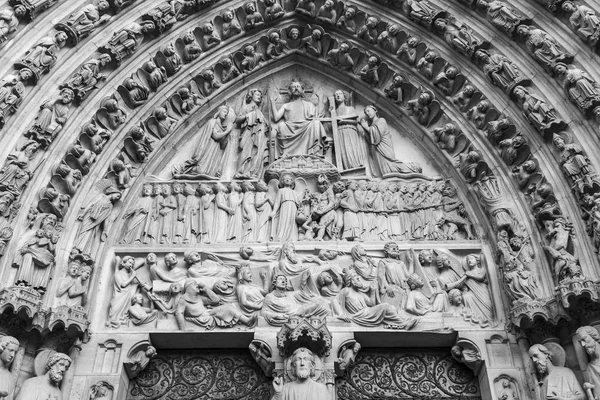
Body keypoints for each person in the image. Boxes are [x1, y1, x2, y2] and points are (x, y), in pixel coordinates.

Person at [359, 105, 421, 177]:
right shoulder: (371, 125)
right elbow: (371, 140)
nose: (367, 113)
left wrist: (366, 127)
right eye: (366, 113)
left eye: (368, 111)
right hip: (377, 150)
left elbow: (377, 137)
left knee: (392, 165)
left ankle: (413, 168)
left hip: (384, 148)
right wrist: (364, 129)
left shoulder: (381, 120)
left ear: (375, 110)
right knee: (386, 169)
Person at [271, 80, 326, 158]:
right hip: (290, 128)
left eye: (298, 86)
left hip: (306, 127)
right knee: (281, 125)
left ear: (303, 90)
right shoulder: (286, 105)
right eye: (293, 87)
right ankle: (285, 153)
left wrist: (320, 98)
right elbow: (276, 118)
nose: (296, 88)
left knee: (316, 123)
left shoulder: (309, 105)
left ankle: (314, 151)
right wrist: (272, 102)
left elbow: (318, 116)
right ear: (290, 91)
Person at [576, 326, 600, 400]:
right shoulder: (589, 367)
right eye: (580, 342)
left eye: (584, 339)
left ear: (594, 336)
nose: (583, 344)